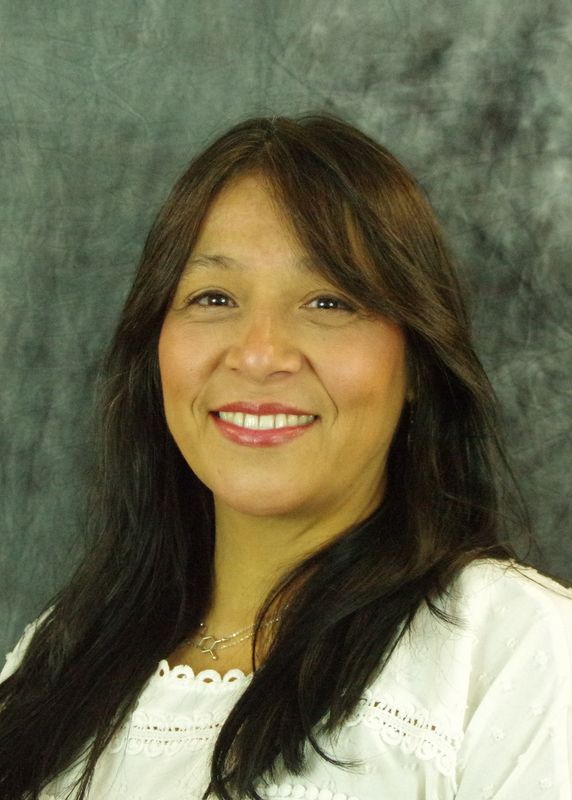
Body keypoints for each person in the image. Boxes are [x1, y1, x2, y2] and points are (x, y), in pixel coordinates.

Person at [0, 113, 570, 800]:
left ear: (419, 361)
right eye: (214, 297)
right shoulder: (59, 656)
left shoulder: (515, 648)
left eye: (329, 301)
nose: (259, 354)